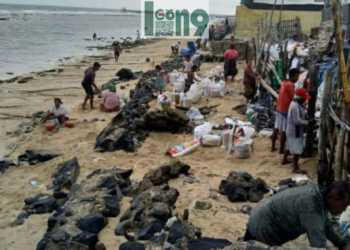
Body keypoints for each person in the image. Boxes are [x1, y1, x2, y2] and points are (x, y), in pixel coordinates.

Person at [244, 181, 350, 250]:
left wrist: (341, 244)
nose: (344, 209)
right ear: (331, 197)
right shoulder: (311, 207)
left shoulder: (318, 194)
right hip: (262, 229)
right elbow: (319, 245)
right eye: (344, 205)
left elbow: (325, 225)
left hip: (262, 219)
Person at [282, 88, 313, 173]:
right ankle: (295, 167)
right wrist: (308, 122)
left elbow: (300, 115)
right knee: (297, 149)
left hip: (290, 130)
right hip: (295, 131)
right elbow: (297, 121)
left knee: (289, 145)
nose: (305, 99)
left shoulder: (295, 103)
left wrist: (305, 116)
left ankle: (284, 160)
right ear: (300, 98)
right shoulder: (295, 107)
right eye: (304, 98)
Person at [270, 68, 300, 153]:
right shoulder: (290, 85)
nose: (297, 79)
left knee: (276, 128)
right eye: (297, 77)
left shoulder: (284, 83)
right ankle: (281, 150)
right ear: (293, 76)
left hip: (279, 108)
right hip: (285, 110)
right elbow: (294, 98)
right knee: (284, 130)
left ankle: (272, 147)